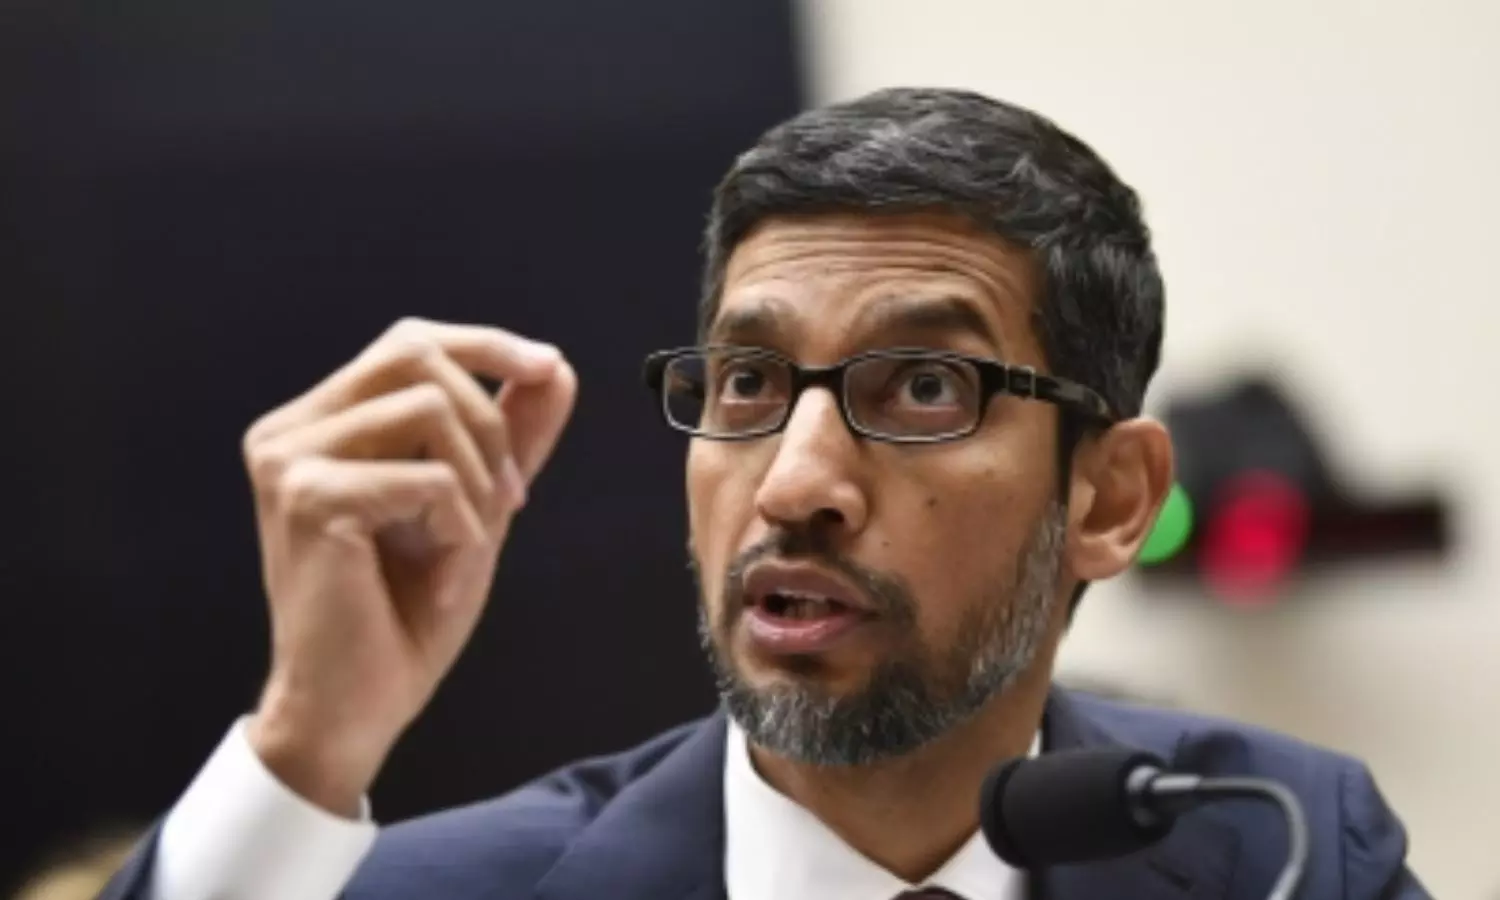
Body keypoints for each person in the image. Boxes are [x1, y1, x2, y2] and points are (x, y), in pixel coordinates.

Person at [98, 87, 1426, 900]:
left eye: (924, 387)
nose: (795, 483)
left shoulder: (1282, 849)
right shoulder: (435, 893)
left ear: (1110, 498)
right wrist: (308, 743)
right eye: (747, 382)